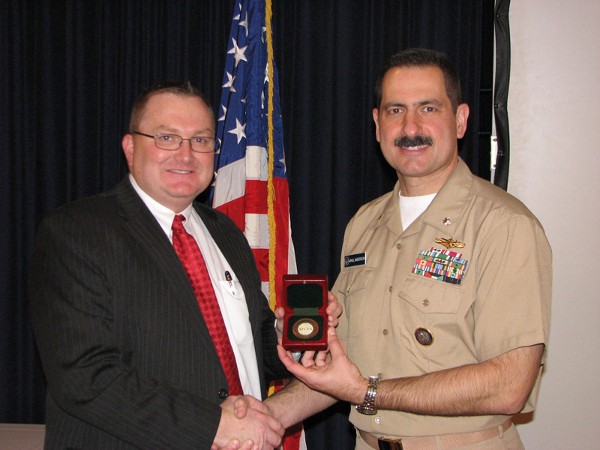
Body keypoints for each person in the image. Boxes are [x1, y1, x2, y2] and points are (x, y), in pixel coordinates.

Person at [250, 48, 552, 450]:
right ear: (377, 124)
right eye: (395, 110)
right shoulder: (364, 224)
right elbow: (345, 373)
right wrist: (264, 418)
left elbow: (509, 385)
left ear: (460, 120)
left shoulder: (503, 226)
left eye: (428, 108)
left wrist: (368, 392)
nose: (411, 127)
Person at [29, 81, 340, 450]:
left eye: (201, 140)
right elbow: (84, 377)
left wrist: (297, 333)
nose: (186, 154)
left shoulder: (224, 232)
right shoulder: (78, 232)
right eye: (166, 137)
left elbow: (252, 346)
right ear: (130, 148)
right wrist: (212, 426)